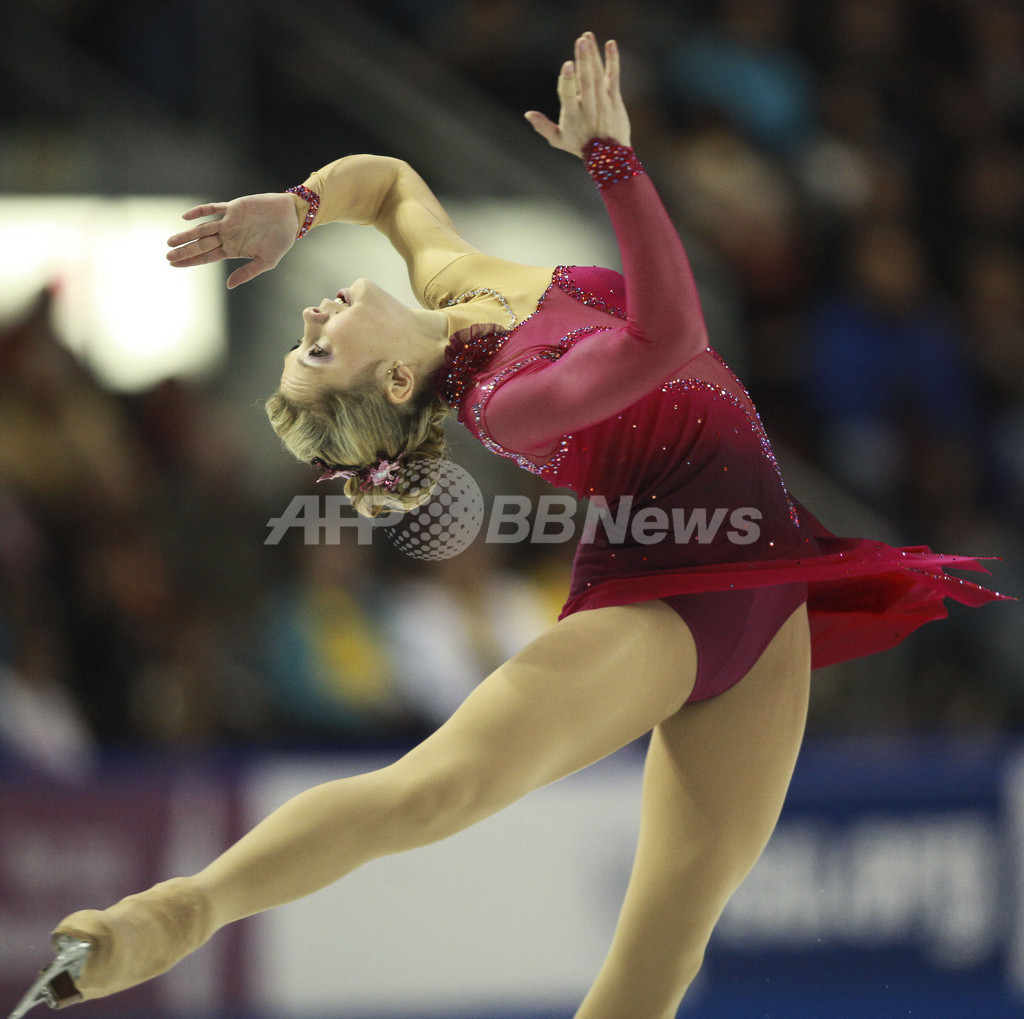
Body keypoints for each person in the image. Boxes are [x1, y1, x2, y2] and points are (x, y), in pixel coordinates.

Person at [12, 33, 1008, 1019]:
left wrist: (300, 206)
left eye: (301, 343)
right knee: (435, 790)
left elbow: (392, 184)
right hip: (663, 601)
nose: (308, 322)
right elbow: (670, 336)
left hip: (771, 596)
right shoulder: (508, 397)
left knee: (651, 975)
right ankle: (171, 915)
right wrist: (613, 162)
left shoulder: (456, 289)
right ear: (395, 380)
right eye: (316, 353)